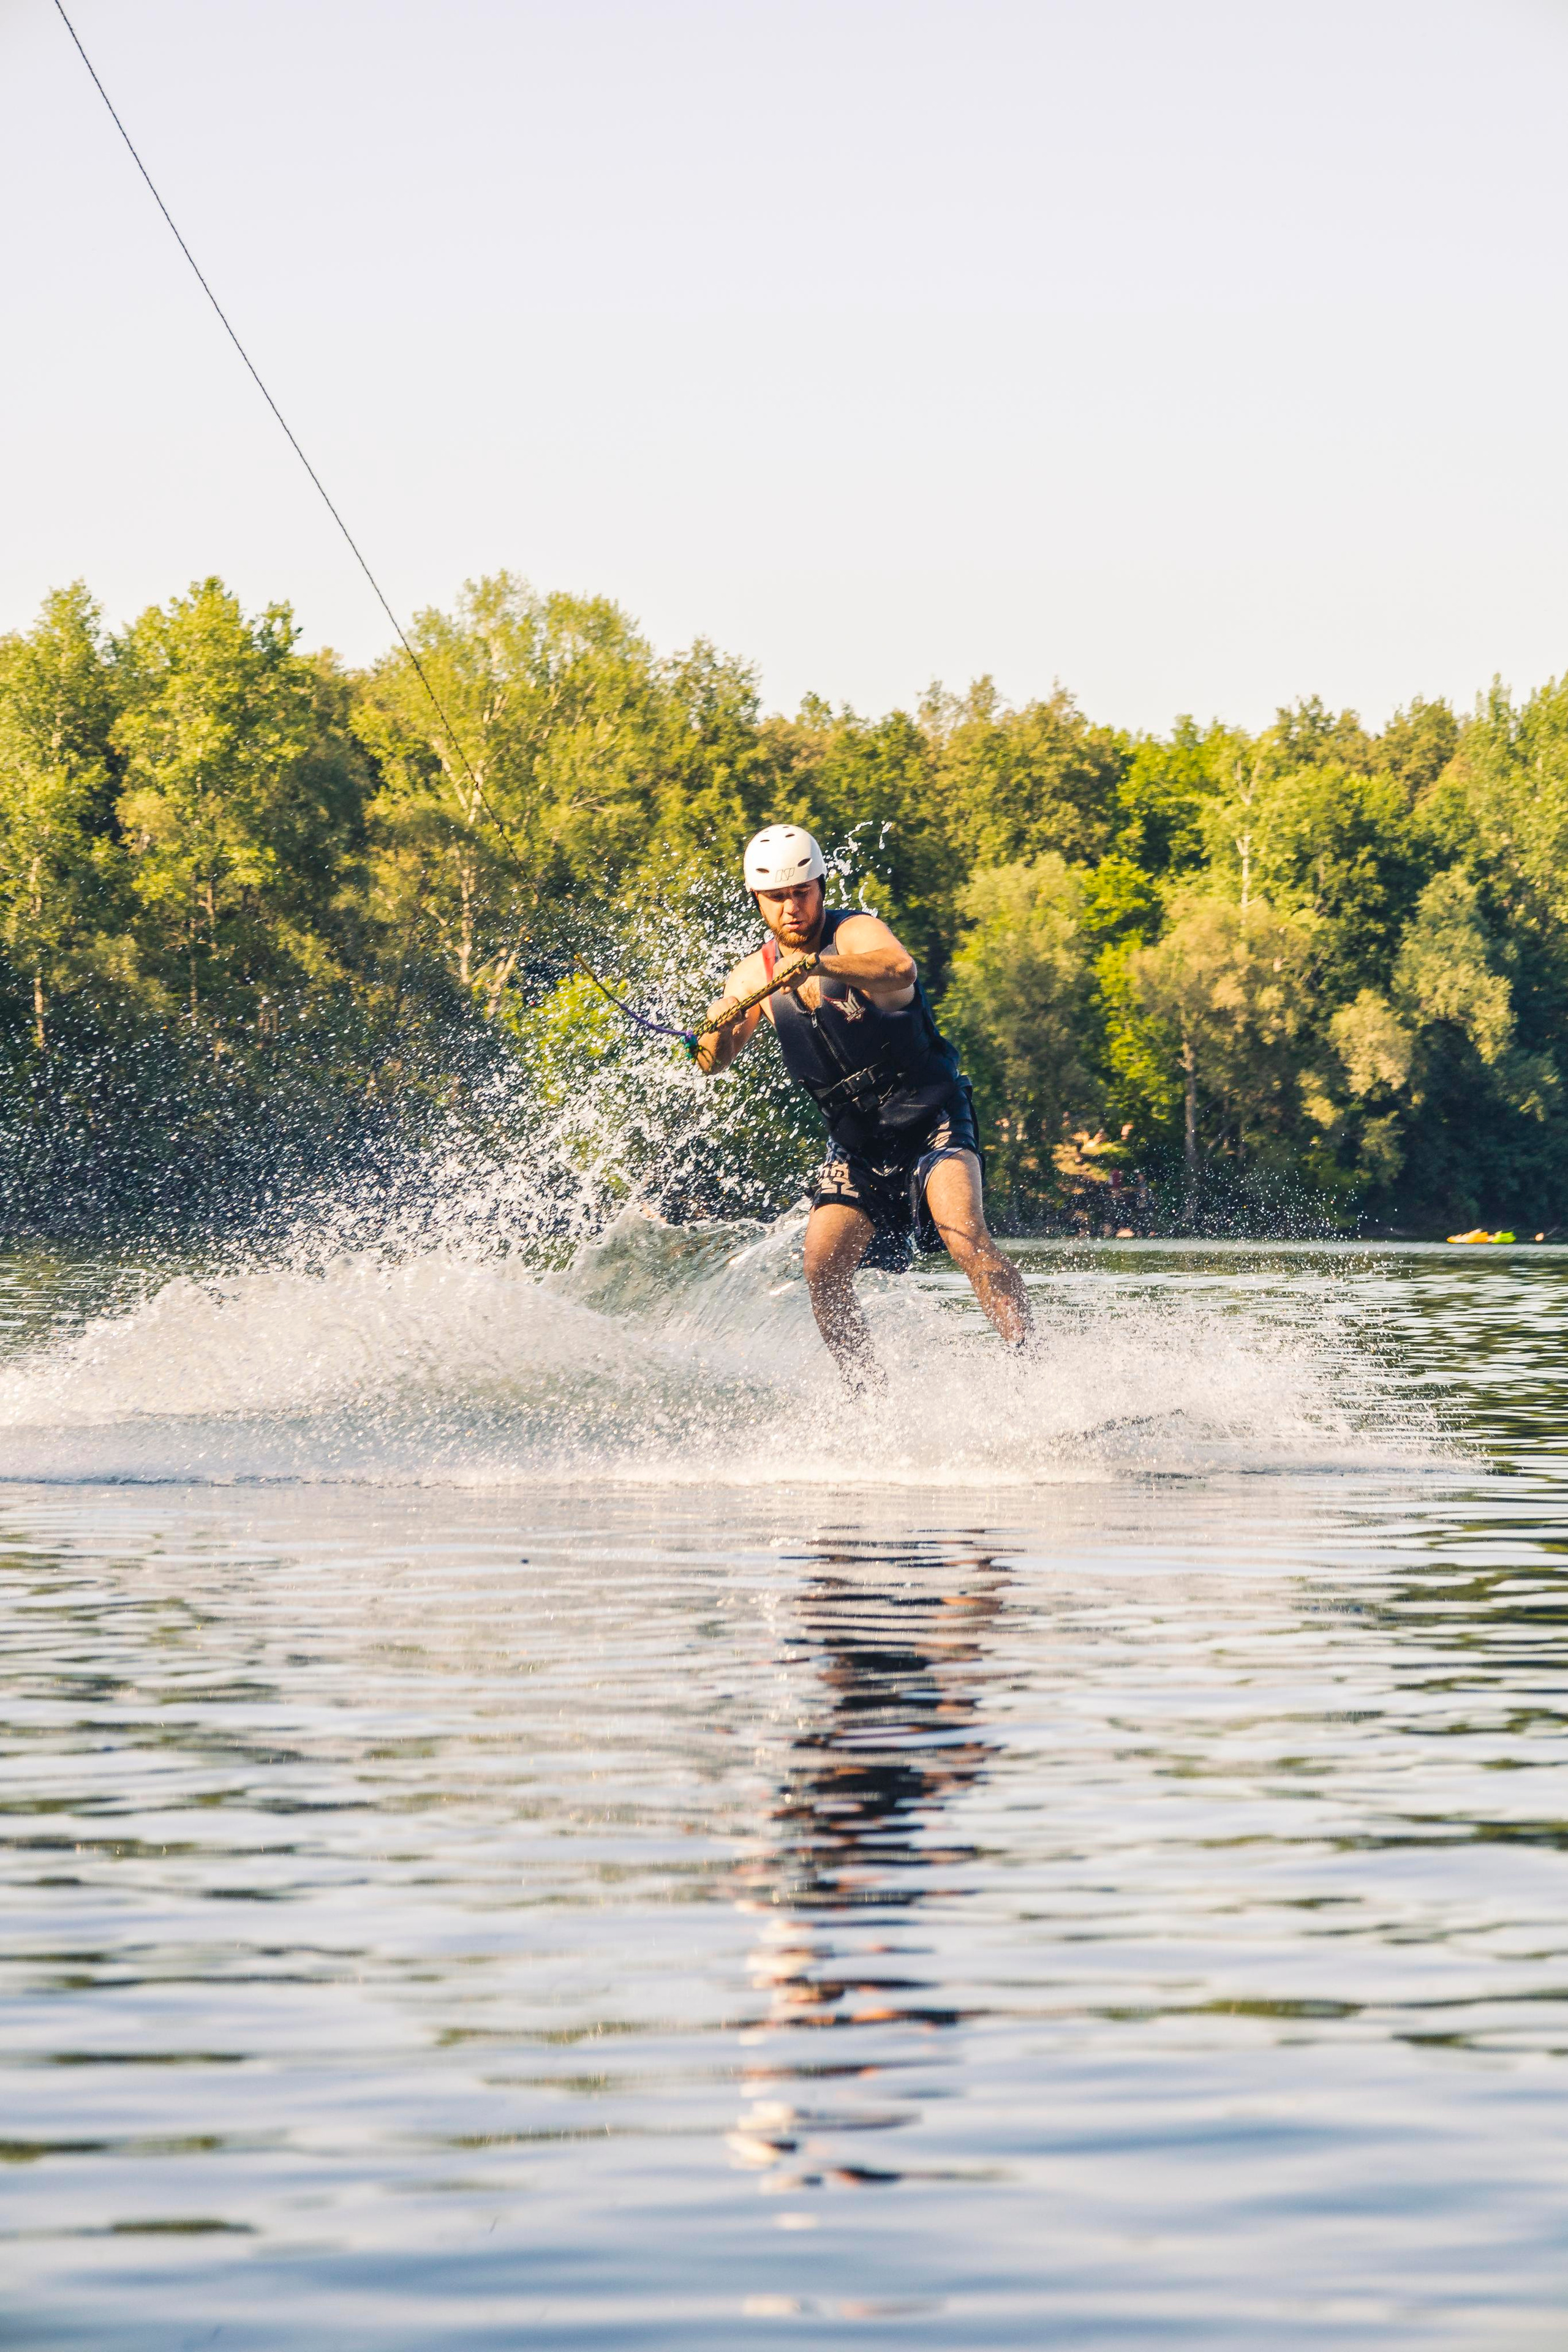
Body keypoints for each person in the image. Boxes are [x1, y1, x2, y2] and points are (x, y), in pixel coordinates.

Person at [695, 824, 1033, 1386]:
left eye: (801, 892)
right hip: (858, 1143)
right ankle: (869, 1398)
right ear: (758, 901)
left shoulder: (854, 933)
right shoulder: (753, 974)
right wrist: (719, 1025)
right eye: (777, 898)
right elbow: (713, 1062)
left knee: (962, 1233)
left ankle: (1033, 1366)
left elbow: (900, 970)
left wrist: (822, 967)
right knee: (821, 1269)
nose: (792, 908)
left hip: (930, 1117)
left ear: (821, 886)